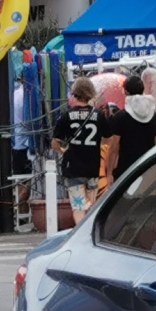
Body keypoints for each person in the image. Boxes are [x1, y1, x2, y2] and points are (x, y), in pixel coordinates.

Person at [55, 76, 103, 217]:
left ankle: (80, 234)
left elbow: (55, 143)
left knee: (78, 206)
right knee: (91, 205)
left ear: (75, 93)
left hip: (73, 166)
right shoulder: (98, 114)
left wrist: (64, 151)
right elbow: (108, 138)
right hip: (93, 165)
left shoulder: (66, 116)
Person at [100, 86, 156, 190]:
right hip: (148, 167)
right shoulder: (155, 116)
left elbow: (114, 148)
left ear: (126, 92)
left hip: (126, 170)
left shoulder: (120, 117)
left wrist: (109, 173)